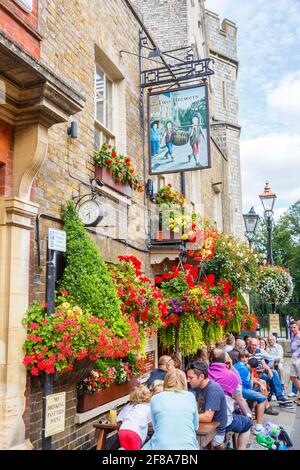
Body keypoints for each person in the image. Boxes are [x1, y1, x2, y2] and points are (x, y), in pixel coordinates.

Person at [142, 369, 199, 450]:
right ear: (184, 382)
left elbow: (155, 427)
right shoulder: (190, 396)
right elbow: (195, 426)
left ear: (166, 381)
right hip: (188, 447)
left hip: (160, 446)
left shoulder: (155, 398)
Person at [208, 349, 252, 448]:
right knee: (247, 423)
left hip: (207, 418)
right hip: (224, 420)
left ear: (210, 359)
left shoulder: (204, 374)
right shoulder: (232, 375)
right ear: (225, 360)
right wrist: (246, 414)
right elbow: (239, 399)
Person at [186, 361, 228, 449]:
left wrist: (185, 416)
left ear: (201, 377)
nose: (188, 380)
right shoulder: (198, 387)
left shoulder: (213, 389)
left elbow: (207, 417)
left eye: (191, 377)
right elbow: (197, 409)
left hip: (216, 433)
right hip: (204, 429)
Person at [247, 338, 293, 408]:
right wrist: (258, 372)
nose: (254, 347)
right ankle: (280, 398)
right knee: (272, 378)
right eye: (252, 345)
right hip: (254, 374)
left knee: (273, 372)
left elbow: (263, 363)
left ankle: (280, 396)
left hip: (261, 371)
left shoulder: (258, 351)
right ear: (249, 344)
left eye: (255, 345)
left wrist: (269, 370)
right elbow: (248, 368)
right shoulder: (246, 352)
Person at [117, 385, 152, 450]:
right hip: (135, 433)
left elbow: (119, 418)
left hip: (123, 430)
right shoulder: (147, 408)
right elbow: (151, 423)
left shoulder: (129, 406)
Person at [289, 321, 300, 405]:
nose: (292, 329)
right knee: (292, 377)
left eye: (294, 327)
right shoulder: (292, 336)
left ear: (297, 327)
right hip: (293, 359)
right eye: (291, 327)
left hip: (298, 359)